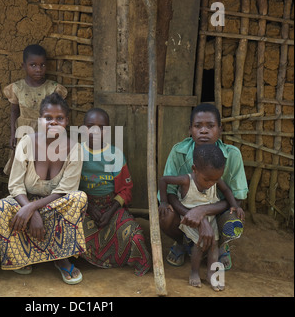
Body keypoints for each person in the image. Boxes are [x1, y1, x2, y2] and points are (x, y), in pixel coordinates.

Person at [0, 93, 87, 285]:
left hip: (56, 205)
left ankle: (61, 258)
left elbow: (65, 191)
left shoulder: (75, 148)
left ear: (66, 121)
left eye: (59, 118)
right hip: (25, 200)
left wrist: (32, 209)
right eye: (48, 118)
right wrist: (29, 208)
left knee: (79, 198)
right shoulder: (27, 142)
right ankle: (23, 255)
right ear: (40, 120)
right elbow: (16, 185)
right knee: (1, 207)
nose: (54, 123)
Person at [159, 103, 248, 270]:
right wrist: (195, 216)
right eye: (198, 126)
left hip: (217, 212)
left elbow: (236, 197)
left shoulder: (232, 155)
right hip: (185, 212)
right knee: (165, 215)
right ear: (190, 129)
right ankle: (184, 242)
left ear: (220, 129)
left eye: (211, 126)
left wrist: (204, 211)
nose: (204, 131)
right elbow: (169, 193)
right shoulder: (179, 152)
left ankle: (220, 246)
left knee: (234, 220)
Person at [159, 144, 245, 291]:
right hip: (190, 219)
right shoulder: (186, 180)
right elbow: (163, 180)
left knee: (213, 246)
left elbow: (226, 190)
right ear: (194, 169)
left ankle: (211, 274)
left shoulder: (213, 177)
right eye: (207, 180)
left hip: (209, 218)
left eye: (215, 180)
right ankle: (194, 272)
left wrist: (235, 206)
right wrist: (164, 201)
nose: (212, 183)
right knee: (200, 245)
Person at [78, 108, 151, 276]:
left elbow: (126, 190)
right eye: (90, 126)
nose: (95, 131)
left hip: (112, 206)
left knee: (135, 235)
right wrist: (89, 207)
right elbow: (69, 187)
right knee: (71, 229)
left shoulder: (115, 155)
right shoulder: (75, 153)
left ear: (108, 131)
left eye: (101, 127)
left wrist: (111, 212)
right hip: (84, 207)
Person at [3, 44, 68, 174]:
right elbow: (14, 111)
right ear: (23, 66)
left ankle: (41, 190)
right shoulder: (17, 88)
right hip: (23, 132)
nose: (38, 69)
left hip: (46, 131)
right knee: (23, 163)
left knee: (44, 160)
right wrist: (12, 134)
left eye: (42, 65)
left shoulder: (52, 89)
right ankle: (21, 190)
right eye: (33, 65)